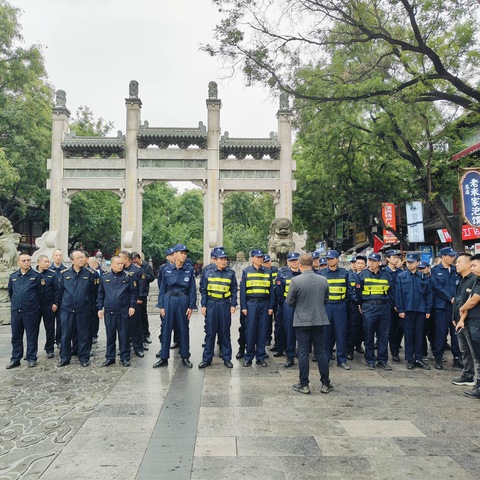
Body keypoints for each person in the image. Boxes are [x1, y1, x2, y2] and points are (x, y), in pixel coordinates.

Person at [285, 253, 334, 394]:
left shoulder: (296, 281)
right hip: (319, 320)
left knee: (303, 352)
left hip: (302, 321)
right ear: (313, 264)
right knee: (321, 352)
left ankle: (304, 384)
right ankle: (325, 383)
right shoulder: (323, 280)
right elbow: (326, 299)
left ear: (300, 265)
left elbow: (289, 302)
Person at [153, 244, 196, 368]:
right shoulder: (166, 270)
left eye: (185, 253)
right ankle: (164, 357)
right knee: (166, 329)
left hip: (183, 299)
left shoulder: (189, 269)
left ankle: (185, 356)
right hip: (169, 299)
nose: (183, 255)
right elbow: (162, 288)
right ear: (175, 254)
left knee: (183, 329)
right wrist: (161, 306)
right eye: (181, 253)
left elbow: (192, 288)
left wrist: (191, 306)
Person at [198, 247, 238, 368]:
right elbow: (203, 290)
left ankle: (227, 358)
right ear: (215, 260)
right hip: (211, 304)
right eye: (221, 259)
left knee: (225, 331)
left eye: (225, 259)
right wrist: (203, 305)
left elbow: (234, 290)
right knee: (210, 332)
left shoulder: (230, 273)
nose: (223, 261)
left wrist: (233, 304)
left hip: (224, 304)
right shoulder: (208, 271)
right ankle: (207, 359)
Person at [57, 250, 97, 367]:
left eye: (82, 257)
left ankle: (84, 357)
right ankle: (65, 357)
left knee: (84, 334)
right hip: (67, 309)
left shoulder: (90, 274)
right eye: (78, 258)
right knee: (66, 335)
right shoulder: (64, 274)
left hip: (83, 309)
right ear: (72, 260)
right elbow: (60, 291)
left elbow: (93, 292)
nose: (81, 259)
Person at [356, 252, 395, 370]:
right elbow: (358, 292)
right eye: (370, 261)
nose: (371, 263)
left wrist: (389, 304)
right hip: (369, 307)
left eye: (374, 261)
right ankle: (370, 359)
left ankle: (382, 360)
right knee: (369, 335)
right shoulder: (362, 275)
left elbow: (391, 291)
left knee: (383, 335)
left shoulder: (386, 275)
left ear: (379, 262)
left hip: (384, 308)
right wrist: (361, 304)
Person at [97, 255, 137, 367]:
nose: (120, 265)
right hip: (109, 311)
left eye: (121, 263)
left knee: (124, 336)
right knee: (110, 336)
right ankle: (110, 357)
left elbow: (133, 293)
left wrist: (132, 306)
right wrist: (100, 308)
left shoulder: (128, 277)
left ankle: (125, 357)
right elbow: (100, 294)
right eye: (118, 264)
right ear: (112, 264)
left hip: (123, 311)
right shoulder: (105, 278)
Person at [395, 253, 432, 370]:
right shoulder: (401, 276)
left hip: (421, 310)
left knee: (420, 335)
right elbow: (398, 294)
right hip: (407, 310)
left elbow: (429, 294)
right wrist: (400, 309)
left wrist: (428, 309)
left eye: (412, 262)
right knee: (409, 335)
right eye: (408, 262)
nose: (409, 264)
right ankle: (410, 359)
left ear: (417, 263)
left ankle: (419, 358)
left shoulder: (423, 277)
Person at [319, 249, 355, 370]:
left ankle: (342, 359)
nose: (330, 261)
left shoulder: (344, 273)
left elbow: (349, 291)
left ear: (337, 259)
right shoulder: (321, 273)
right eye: (328, 259)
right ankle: (326, 358)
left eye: (332, 259)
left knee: (341, 333)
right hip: (327, 306)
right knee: (326, 334)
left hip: (340, 306)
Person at [6, 253, 44, 369]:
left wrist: (33, 304)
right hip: (16, 311)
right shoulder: (13, 277)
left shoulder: (36, 276)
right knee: (16, 336)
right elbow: (11, 292)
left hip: (31, 311)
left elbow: (41, 293)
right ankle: (16, 358)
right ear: (18, 262)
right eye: (24, 261)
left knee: (31, 335)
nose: (26, 263)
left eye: (28, 260)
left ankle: (31, 357)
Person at [240, 249, 275, 367]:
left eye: (262, 257)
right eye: (258, 257)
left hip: (264, 304)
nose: (261, 259)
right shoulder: (246, 272)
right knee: (250, 331)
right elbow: (243, 291)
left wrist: (271, 306)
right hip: (251, 304)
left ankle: (260, 356)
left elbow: (271, 291)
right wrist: (243, 307)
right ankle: (249, 356)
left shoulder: (267, 272)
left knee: (262, 330)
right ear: (252, 258)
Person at [431, 247, 462, 370]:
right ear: (443, 256)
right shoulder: (435, 270)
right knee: (441, 333)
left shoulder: (456, 270)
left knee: (456, 334)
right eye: (450, 256)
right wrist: (450, 298)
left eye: (453, 256)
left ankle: (457, 358)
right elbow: (436, 287)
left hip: (455, 307)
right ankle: (438, 357)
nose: (453, 258)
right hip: (442, 308)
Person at [452, 253, 478, 387]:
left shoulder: (474, 279)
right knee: (464, 350)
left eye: (459, 262)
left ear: (469, 264)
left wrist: (462, 318)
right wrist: (454, 318)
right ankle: (467, 375)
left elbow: (470, 302)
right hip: (459, 321)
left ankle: (476, 379)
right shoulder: (461, 279)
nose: (456, 264)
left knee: (474, 351)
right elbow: (457, 301)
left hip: (469, 321)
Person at [276, 252, 301, 367]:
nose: (294, 262)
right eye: (291, 261)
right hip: (289, 305)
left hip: (303, 305)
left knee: (302, 330)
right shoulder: (282, 273)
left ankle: (302, 354)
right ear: (288, 262)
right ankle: (290, 356)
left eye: (296, 260)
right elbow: (279, 292)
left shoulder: (304, 272)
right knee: (290, 331)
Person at [119, 250, 145, 359]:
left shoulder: (137, 270)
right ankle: (123, 348)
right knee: (123, 328)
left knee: (135, 327)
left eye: (120, 258)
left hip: (133, 302)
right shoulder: (120, 270)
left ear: (126, 259)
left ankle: (138, 348)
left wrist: (140, 298)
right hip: (122, 304)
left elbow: (141, 285)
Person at [37, 254, 61, 359]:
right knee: (32, 330)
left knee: (50, 328)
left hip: (49, 305)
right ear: (39, 262)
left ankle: (50, 349)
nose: (47, 263)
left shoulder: (52, 274)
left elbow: (57, 290)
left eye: (48, 261)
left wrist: (56, 303)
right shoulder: (33, 274)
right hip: (35, 306)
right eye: (45, 262)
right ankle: (31, 351)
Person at [155, 247, 178, 356]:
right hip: (167, 298)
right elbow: (161, 285)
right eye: (171, 255)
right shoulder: (163, 268)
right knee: (165, 326)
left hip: (178, 300)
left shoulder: (184, 266)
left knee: (179, 325)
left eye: (175, 254)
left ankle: (179, 343)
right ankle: (163, 347)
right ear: (167, 257)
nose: (174, 256)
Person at [132, 252, 155, 346]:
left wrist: (143, 276)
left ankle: (146, 334)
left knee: (143, 315)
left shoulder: (147, 266)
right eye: (133, 262)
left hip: (143, 293)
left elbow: (152, 277)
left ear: (139, 258)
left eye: (136, 261)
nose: (135, 263)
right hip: (133, 293)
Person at [384, 249, 403, 362]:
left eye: (397, 257)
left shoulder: (401, 273)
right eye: (393, 257)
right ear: (387, 259)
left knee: (401, 328)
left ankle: (396, 347)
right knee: (390, 330)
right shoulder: (384, 272)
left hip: (400, 306)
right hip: (389, 306)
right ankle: (394, 352)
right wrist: (393, 303)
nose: (396, 259)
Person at [346, 256, 365, 360]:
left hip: (365, 306)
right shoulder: (350, 276)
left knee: (363, 328)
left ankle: (359, 345)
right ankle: (350, 349)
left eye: (362, 263)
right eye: (358, 263)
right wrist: (358, 301)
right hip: (354, 305)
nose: (360, 265)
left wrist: (363, 302)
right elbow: (349, 291)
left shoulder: (367, 275)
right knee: (353, 327)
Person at [88, 256, 106, 345]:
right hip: (90, 297)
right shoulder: (87, 272)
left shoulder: (102, 271)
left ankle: (94, 334)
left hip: (98, 297)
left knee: (96, 318)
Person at [50, 249, 66, 347]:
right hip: (51, 300)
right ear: (53, 256)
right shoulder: (49, 270)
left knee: (61, 322)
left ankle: (59, 340)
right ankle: (50, 342)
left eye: (60, 255)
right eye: (56, 255)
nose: (58, 257)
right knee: (50, 324)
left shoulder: (65, 270)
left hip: (62, 299)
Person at [262, 254, 278, 348]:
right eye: (266, 262)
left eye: (269, 261)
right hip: (267, 299)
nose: (268, 263)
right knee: (267, 320)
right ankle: (267, 338)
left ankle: (277, 340)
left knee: (278, 321)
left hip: (276, 298)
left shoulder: (276, 270)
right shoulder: (263, 272)